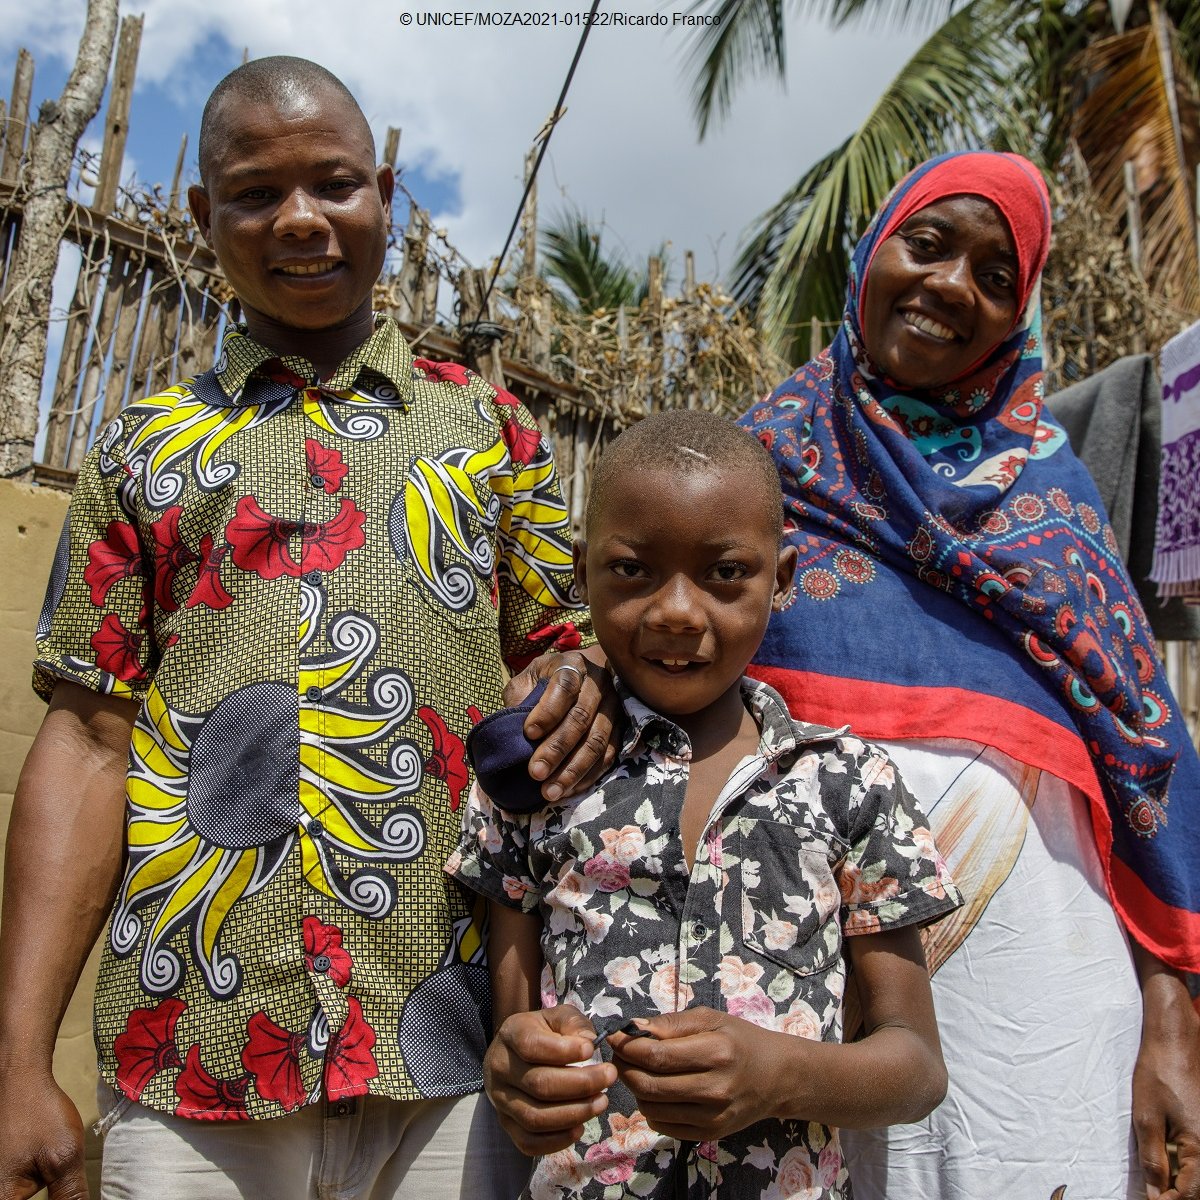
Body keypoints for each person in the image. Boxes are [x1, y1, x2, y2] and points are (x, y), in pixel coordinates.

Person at [0, 56, 617, 1200]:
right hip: (193, 1050)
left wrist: (579, 670)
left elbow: (562, 658)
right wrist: (17, 1062)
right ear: (202, 214)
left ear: (384, 191)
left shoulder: (492, 431)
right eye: (252, 193)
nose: (299, 219)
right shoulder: (144, 449)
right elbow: (86, 743)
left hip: (450, 1045)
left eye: (335, 183)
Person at [738, 150, 1200, 1200]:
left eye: (997, 276)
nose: (953, 286)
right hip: (787, 970)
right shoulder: (754, 468)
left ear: (1019, 316)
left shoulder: (1055, 501)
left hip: (1035, 988)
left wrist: (1174, 1019)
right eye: (930, 244)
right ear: (872, 253)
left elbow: (1146, 758)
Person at [447, 409, 964, 1199]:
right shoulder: (540, 775)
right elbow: (512, 1037)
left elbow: (917, 1069)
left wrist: (782, 1075)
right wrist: (519, 1080)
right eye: (632, 570)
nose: (679, 611)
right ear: (582, 572)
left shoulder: (849, 782)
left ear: (781, 580)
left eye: (725, 573)